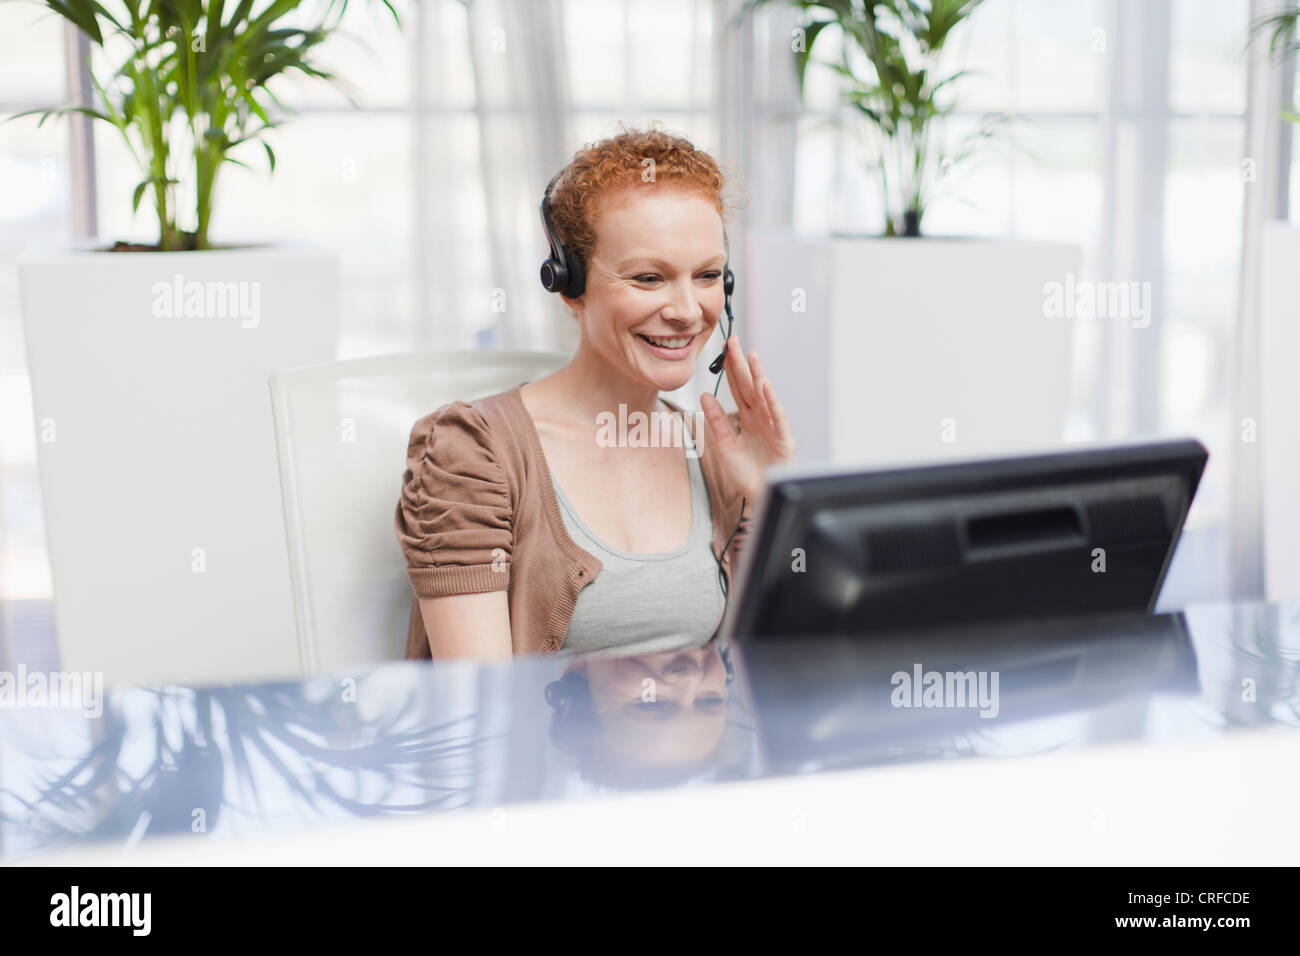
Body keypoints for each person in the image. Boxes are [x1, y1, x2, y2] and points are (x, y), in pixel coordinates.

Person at [395, 124, 796, 661]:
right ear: (569, 284)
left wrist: (773, 502)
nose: (686, 310)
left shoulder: (718, 453)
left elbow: (774, 676)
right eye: (649, 278)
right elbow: (482, 702)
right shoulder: (471, 452)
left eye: (706, 276)